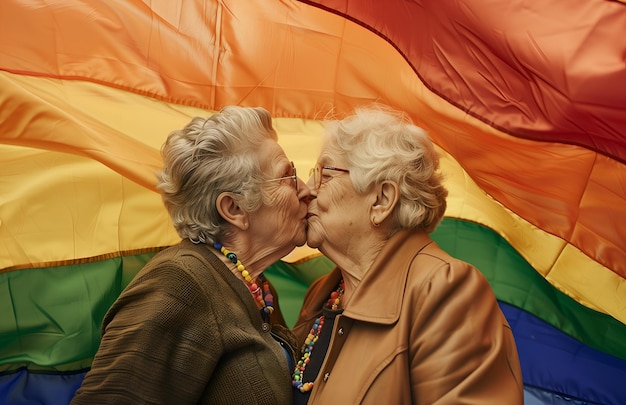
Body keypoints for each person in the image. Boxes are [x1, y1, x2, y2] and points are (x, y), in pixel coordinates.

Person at [72, 106, 311, 404]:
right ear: (234, 209)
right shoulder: (180, 282)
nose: (306, 190)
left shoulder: (257, 288)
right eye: (287, 177)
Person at [291, 105, 524, 404]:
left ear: (382, 200)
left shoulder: (444, 290)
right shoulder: (323, 295)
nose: (308, 190)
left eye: (325, 174)